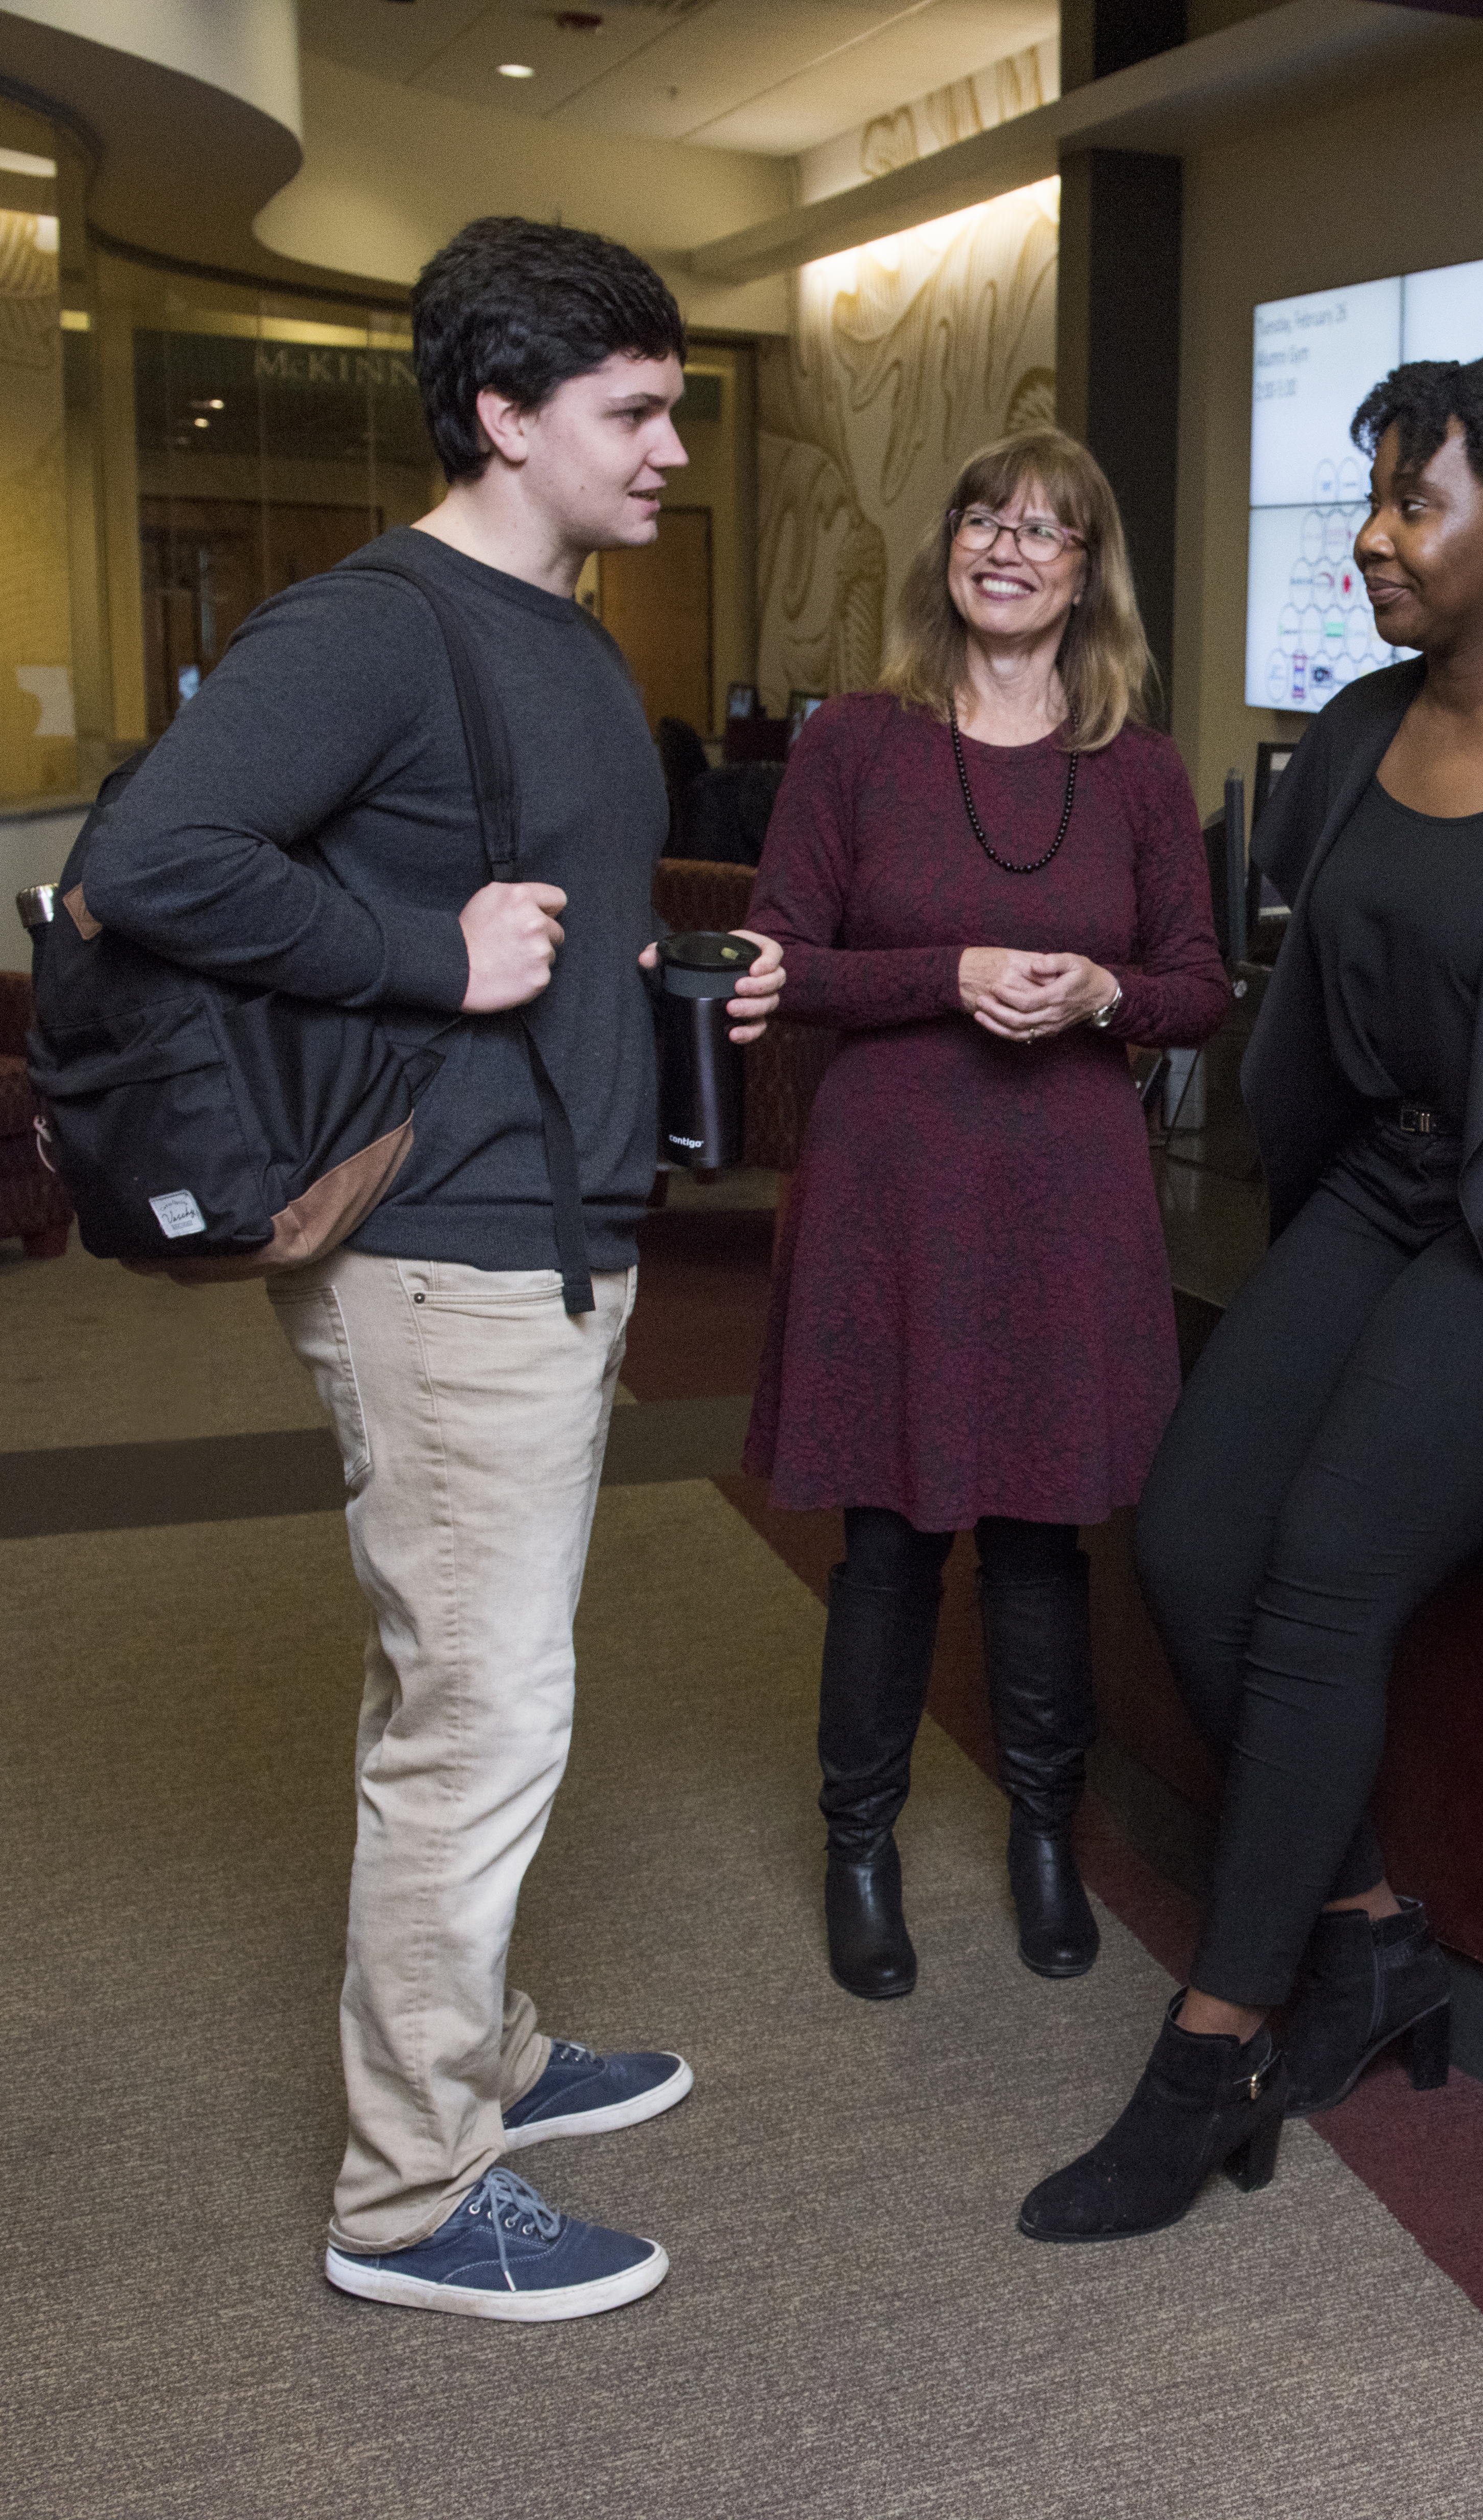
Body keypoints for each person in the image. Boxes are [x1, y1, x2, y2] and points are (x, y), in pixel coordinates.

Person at [84, 218, 783, 2322]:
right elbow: (146, 864)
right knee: (480, 1715)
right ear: (502, 415)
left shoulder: (562, 626)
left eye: (674, 407)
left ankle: (479, 2051)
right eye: (633, 413)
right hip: (442, 1248)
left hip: (548, 1226)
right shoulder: (375, 626)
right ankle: (408, 2190)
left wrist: (678, 983)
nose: (671, 450)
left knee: (464, 1675)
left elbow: (536, 907)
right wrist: (427, 958)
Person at [1020, 357, 1483, 2243]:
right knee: (1194, 1539)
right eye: (1371, 497)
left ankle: (1213, 2051)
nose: (1374, 537)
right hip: (1381, 1189)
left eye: (1410, 505)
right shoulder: (1357, 732)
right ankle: (1367, 1936)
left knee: (1330, 1574)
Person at [743, 431, 1231, 1998]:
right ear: (944, 548)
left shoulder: (1139, 769)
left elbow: (1203, 990)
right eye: (982, 519)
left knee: (1040, 1538)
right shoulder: (857, 749)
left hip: (1067, 1193)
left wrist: (1107, 994)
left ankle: (1043, 1837)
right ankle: (860, 1845)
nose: (1007, 548)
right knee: (889, 1538)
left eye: (1047, 529)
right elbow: (777, 966)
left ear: (1091, 573)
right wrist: (943, 974)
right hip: (897, 1188)